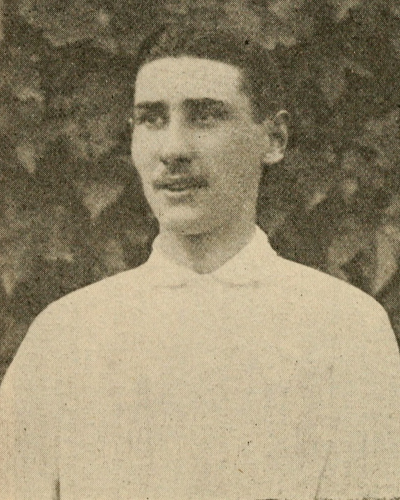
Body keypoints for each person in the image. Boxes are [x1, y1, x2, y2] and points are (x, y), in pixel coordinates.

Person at [1, 23, 400, 500]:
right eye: (151, 119)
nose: (173, 150)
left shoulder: (346, 330)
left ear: (274, 138)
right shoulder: (65, 335)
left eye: (205, 117)